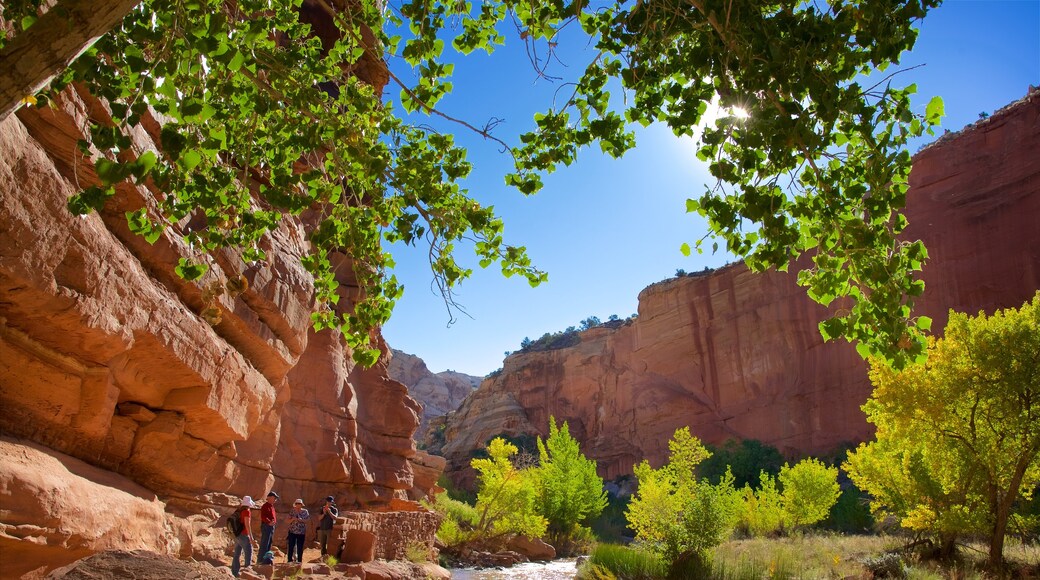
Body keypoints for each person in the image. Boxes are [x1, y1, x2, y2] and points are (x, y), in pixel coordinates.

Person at [231, 496, 257, 578]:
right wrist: (251, 538)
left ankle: (234, 572)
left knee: (237, 553)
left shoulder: (239, 510)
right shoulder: (246, 511)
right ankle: (247, 572)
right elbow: (247, 525)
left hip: (237, 534)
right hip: (244, 534)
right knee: (248, 552)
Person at [286, 498, 310, 563]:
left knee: (300, 547)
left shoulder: (305, 511)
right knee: (291, 546)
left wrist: (300, 520)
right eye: (296, 503)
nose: (298, 505)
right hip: (292, 531)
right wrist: (292, 519)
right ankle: (289, 560)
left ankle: (299, 561)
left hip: (301, 532)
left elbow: (307, 520)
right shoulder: (292, 511)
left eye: (299, 504)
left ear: (301, 505)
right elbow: (287, 521)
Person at [259, 491, 279, 556]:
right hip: (266, 526)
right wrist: (269, 522)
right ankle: (261, 559)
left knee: (269, 543)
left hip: (271, 526)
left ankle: (266, 559)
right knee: (265, 543)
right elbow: (263, 516)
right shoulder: (265, 506)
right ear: (269, 498)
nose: (275, 500)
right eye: (274, 498)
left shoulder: (271, 506)